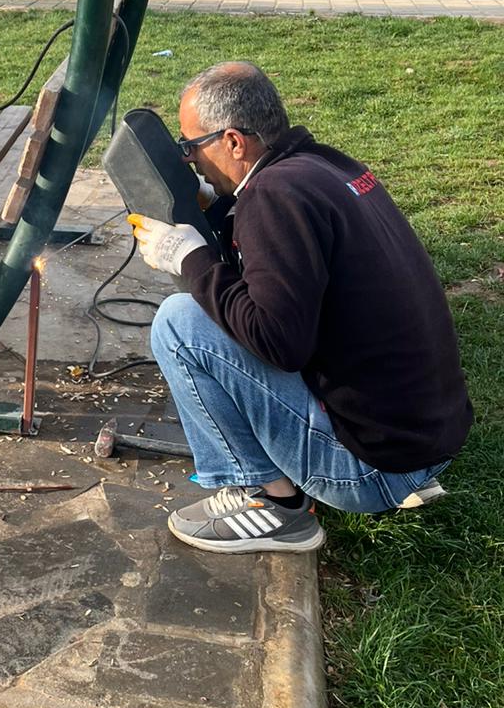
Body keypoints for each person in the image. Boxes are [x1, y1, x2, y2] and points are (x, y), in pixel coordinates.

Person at [128, 62, 472, 554]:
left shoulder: (274, 196)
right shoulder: (323, 167)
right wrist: (221, 210)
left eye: (191, 148)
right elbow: (275, 273)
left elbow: (278, 343)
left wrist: (190, 260)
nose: (188, 161)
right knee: (208, 311)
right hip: (423, 438)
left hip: (372, 468)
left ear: (232, 142)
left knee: (180, 323)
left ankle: (272, 505)